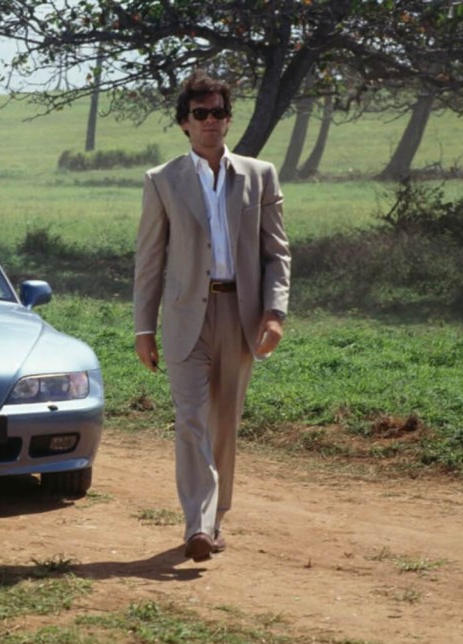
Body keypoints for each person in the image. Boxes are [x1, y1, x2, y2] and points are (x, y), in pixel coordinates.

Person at [133, 72, 291, 562]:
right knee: (191, 420)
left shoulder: (258, 175)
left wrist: (274, 312)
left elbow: (276, 253)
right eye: (200, 113)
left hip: (240, 315)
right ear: (185, 122)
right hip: (185, 318)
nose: (211, 122)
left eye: (219, 112)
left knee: (225, 424)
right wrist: (143, 325)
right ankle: (197, 525)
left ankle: (216, 518)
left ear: (228, 118)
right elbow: (150, 258)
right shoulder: (163, 181)